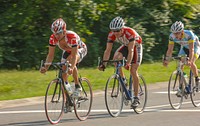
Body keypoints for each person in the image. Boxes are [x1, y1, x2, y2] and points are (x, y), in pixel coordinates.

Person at [98, 16, 143, 108]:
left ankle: (136, 97)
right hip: (126, 45)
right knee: (116, 58)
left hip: (136, 46)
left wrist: (128, 63)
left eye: (118, 31)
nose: (116, 33)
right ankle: (123, 80)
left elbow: (131, 51)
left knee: (133, 71)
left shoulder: (130, 33)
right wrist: (104, 64)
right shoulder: (111, 34)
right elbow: (108, 50)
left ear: (122, 29)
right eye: (113, 31)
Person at [40, 18, 87, 97]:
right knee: (63, 76)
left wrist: (71, 67)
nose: (56, 36)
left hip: (79, 49)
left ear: (64, 31)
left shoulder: (71, 36)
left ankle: (77, 86)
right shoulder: (53, 38)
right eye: (54, 33)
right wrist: (46, 67)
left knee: (69, 62)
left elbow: (74, 55)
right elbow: (50, 55)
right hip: (68, 51)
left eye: (58, 33)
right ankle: (68, 100)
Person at [163, 21, 200, 85]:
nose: (176, 35)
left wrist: (190, 60)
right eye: (174, 33)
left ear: (182, 31)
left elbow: (192, 50)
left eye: (177, 33)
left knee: (191, 63)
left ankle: (197, 79)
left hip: (195, 47)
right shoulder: (171, 36)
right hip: (184, 48)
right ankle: (182, 87)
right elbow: (170, 49)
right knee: (180, 65)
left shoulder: (189, 34)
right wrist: (167, 59)